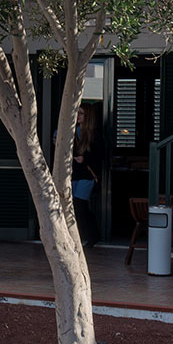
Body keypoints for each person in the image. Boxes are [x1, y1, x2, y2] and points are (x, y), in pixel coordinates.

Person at [71, 101, 105, 248]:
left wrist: (85, 159)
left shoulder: (95, 134)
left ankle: (91, 236)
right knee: (76, 206)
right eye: (77, 113)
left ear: (88, 116)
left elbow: (100, 155)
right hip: (74, 174)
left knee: (80, 206)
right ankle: (87, 236)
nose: (78, 116)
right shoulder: (73, 131)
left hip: (87, 175)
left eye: (81, 114)